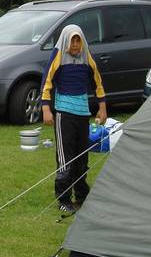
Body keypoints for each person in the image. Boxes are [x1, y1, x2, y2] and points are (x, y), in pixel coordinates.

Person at [40, 24, 107, 216]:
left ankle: (82, 197)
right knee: (65, 158)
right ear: (66, 41)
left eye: (78, 40)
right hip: (63, 115)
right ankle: (63, 199)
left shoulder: (87, 58)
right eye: (73, 40)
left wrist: (102, 108)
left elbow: (98, 83)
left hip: (83, 114)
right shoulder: (59, 56)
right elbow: (47, 81)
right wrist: (46, 108)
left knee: (81, 158)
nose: (76, 44)